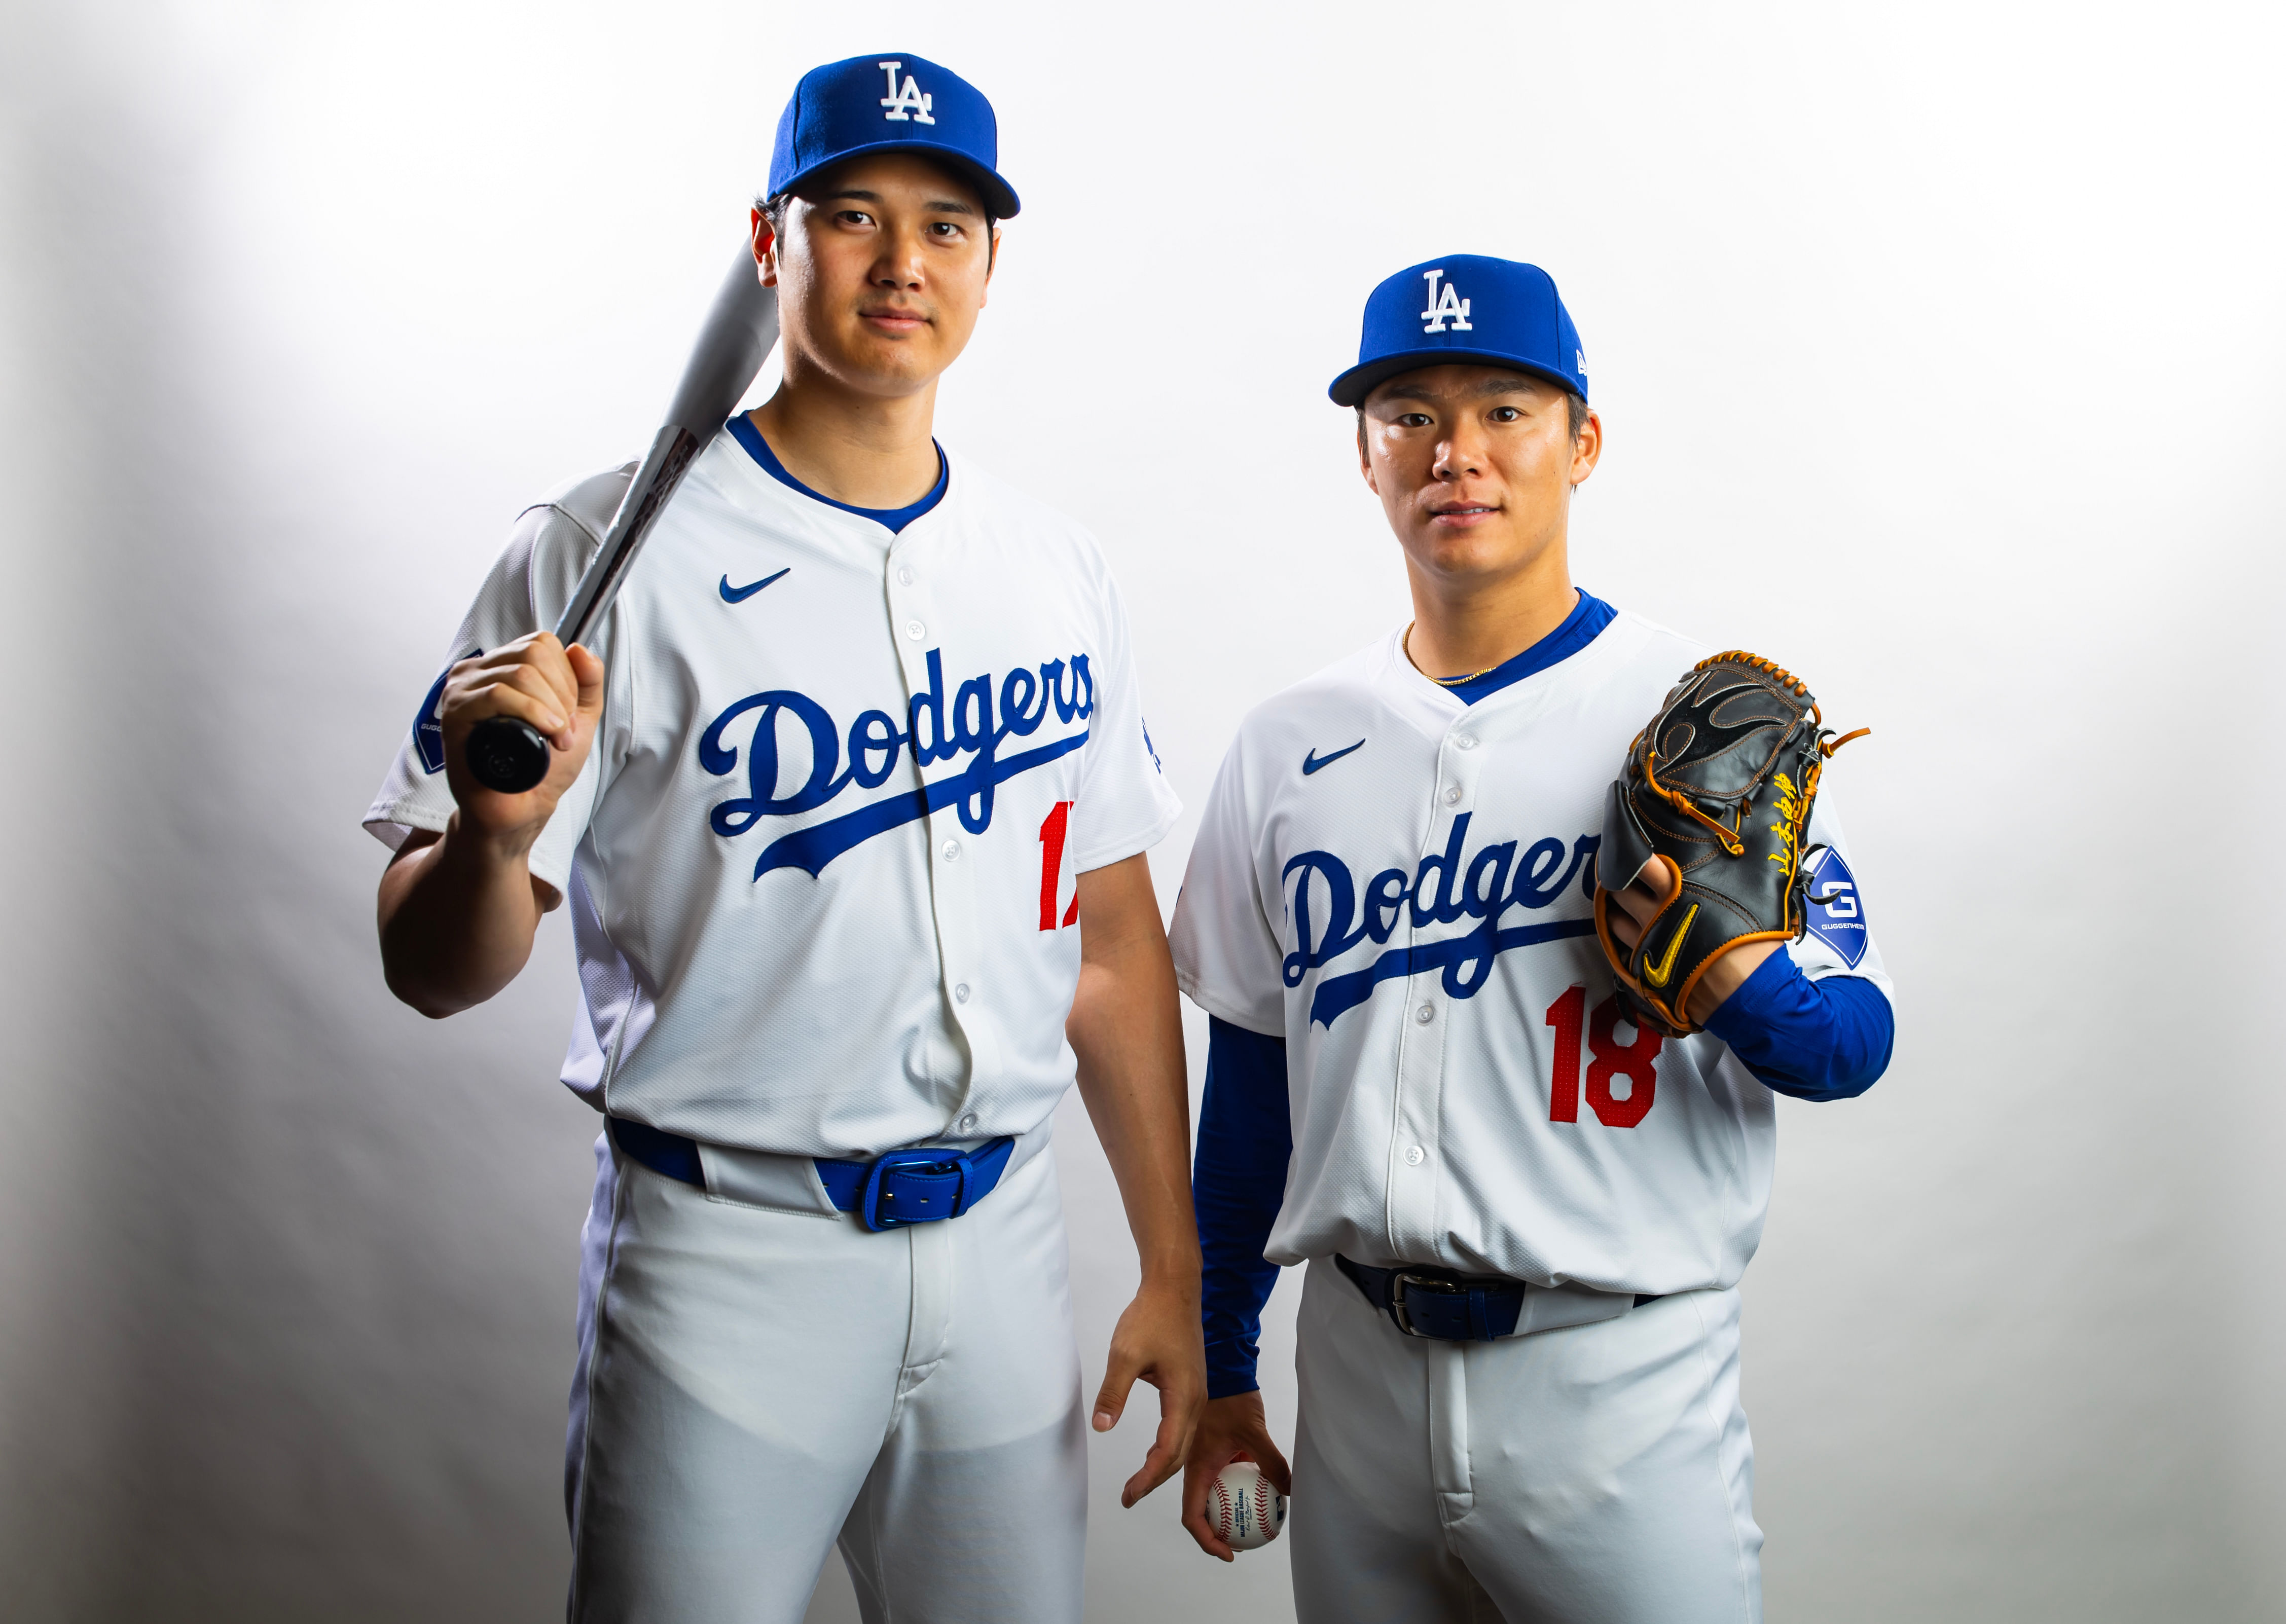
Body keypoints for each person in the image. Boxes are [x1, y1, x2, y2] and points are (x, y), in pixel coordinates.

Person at [365, 52, 1203, 1624]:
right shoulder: (600, 554)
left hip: (1005, 1248)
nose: (904, 264)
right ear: (770, 242)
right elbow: (430, 967)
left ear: (991, 261)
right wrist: (490, 844)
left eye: (948, 226)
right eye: (854, 216)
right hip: (723, 1250)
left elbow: (1108, 936)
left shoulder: (1055, 566)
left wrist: (1174, 1266)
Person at [1168, 255, 1895, 1621]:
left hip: (1615, 1387)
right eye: (1413, 415)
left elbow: (1854, 1042)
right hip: (1359, 1378)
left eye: (1506, 410)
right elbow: (1251, 1095)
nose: (1460, 454)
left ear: (1583, 441)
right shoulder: (1284, 745)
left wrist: (1730, 971)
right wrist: (1225, 1369)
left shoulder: (1695, 725)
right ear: (1367, 456)